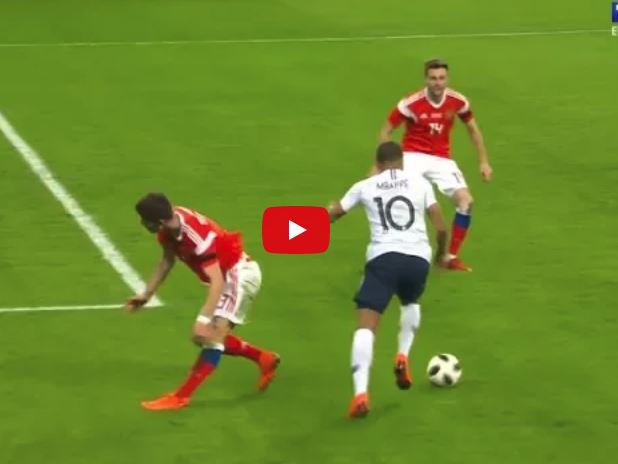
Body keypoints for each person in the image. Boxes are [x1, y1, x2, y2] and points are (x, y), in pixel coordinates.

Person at [125, 193, 279, 410]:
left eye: (144, 220)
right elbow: (167, 260)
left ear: (158, 221)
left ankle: (180, 397)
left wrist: (203, 319)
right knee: (204, 337)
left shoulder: (196, 239)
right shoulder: (170, 227)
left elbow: (216, 281)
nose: (142, 224)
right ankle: (264, 358)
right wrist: (146, 294)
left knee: (210, 337)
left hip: (239, 277)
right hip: (227, 277)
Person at [329, 141, 447, 418]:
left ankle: (360, 394)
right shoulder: (420, 183)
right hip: (418, 259)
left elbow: (332, 215)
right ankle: (402, 355)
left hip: (384, 259)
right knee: (410, 301)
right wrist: (441, 255)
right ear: (401, 161)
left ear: (378, 163)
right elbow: (441, 227)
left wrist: (309, 221)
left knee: (366, 326)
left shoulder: (365, 186)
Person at [378, 58, 492, 271]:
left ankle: (450, 257)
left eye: (441, 78)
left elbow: (473, 130)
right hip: (412, 156)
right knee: (405, 204)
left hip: (441, 159)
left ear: (447, 79)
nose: (438, 83)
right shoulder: (411, 103)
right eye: (433, 78)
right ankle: (398, 254)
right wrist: (384, 164)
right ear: (426, 79)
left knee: (466, 201)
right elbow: (386, 131)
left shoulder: (458, 101)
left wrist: (484, 161)